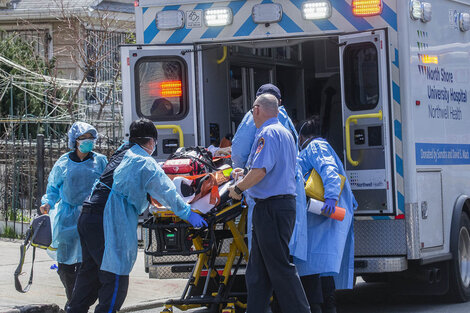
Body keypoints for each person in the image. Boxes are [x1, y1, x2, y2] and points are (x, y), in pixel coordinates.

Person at [67, 119, 207, 313]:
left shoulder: (122, 152)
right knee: (115, 278)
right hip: (106, 220)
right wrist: (187, 213)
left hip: (88, 216)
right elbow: (167, 191)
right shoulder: (143, 161)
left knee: (89, 275)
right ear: (151, 141)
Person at [228, 94, 310, 313]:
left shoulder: (267, 133)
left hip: (271, 208)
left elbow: (261, 171)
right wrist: (244, 175)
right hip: (277, 206)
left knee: (280, 267)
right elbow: (269, 169)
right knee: (258, 272)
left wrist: (238, 188)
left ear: (256, 110)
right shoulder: (284, 132)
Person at [230, 84, 307, 256]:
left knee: (271, 257)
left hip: (268, 199)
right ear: (279, 102)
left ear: (256, 106)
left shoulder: (260, 121)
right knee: (278, 255)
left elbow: (240, 152)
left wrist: (239, 181)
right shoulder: (284, 123)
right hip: (289, 193)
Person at [40, 122, 108, 308]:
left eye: (91, 138)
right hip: (67, 219)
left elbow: (108, 186)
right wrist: (47, 203)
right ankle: (74, 301)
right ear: (74, 141)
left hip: (92, 216)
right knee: (66, 265)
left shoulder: (100, 161)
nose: (89, 142)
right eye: (84, 138)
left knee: (88, 264)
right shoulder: (63, 162)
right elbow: (53, 187)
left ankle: (80, 303)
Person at [294, 117, 358, 313]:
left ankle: (322, 308)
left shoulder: (315, 147)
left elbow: (329, 171)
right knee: (320, 268)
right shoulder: (318, 146)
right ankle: (327, 307)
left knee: (312, 268)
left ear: (302, 136)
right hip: (320, 215)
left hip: (321, 214)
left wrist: (330, 198)